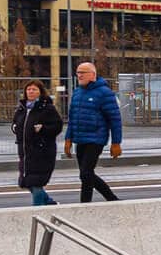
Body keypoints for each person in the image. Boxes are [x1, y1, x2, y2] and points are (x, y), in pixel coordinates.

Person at [63, 62, 123, 203]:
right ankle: (86, 203)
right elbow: (72, 118)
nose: (79, 75)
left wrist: (116, 142)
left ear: (93, 74)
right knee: (85, 175)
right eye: (78, 72)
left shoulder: (105, 93)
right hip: (80, 139)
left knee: (86, 172)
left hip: (96, 139)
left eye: (83, 72)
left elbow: (115, 119)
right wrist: (68, 138)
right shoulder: (77, 92)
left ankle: (111, 199)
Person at [12, 80, 63, 206]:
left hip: (42, 153)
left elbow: (57, 126)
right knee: (27, 182)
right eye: (28, 89)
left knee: (36, 183)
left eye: (34, 89)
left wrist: (43, 129)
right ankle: (49, 202)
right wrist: (14, 128)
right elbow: (16, 123)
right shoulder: (21, 108)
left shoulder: (47, 108)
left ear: (40, 92)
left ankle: (38, 210)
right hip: (25, 152)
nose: (31, 91)